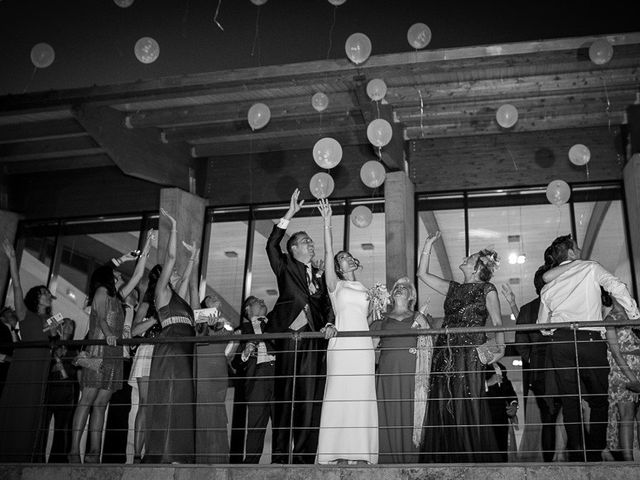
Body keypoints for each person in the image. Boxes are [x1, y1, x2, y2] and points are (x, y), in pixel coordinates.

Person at [537, 234, 640, 461]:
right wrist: (634, 315)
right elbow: (616, 286)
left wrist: (556, 329)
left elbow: (542, 327)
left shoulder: (548, 286)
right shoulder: (590, 268)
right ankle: (594, 452)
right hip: (590, 339)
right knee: (598, 399)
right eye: (578, 247)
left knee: (570, 400)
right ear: (571, 253)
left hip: (560, 342)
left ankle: (579, 452)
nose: (581, 250)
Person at [418, 231, 505, 462]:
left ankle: (471, 459)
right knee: (442, 398)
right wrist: (427, 245)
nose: (465, 258)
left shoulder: (488, 289)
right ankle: (446, 459)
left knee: (466, 399)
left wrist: (501, 349)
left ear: (477, 267)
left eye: (470, 257)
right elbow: (422, 274)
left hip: (469, 352)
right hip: (444, 350)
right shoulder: (453, 287)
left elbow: (497, 322)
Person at [263, 188, 333, 464]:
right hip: (289, 340)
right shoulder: (285, 267)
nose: (311, 244)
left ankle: (304, 459)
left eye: (312, 241)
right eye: (306, 241)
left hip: (313, 341)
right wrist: (289, 214)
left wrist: (328, 322)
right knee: (284, 400)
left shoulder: (319, 273)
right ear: (294, 249)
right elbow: (271, 245)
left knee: (308, 402)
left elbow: (326, 303)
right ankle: (280, 457)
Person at [69, 232, 152, 463]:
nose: (119, 274)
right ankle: (74, 451)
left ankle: (94, 453)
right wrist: (108, 336)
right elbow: (103, 319)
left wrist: (145, 250)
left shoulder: (120, 296)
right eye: (115, 273)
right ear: (106, 277)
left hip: (114, 352)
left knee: (100, 404)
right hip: (100, 350)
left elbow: (137, 276)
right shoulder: (101, 291)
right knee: (86, 401)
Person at [315, 199, 378, 465]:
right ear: (338, 268)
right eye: (342, 259)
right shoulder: (335, 286)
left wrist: (378, 305)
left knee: (362, 393)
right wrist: (328, 223)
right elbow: (328, 254)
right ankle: (334, 451)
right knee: (340, 391)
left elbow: (373, 320)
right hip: (341, 346)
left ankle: (360, 452)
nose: (346, 259)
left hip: (363, 346)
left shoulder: (368, 289)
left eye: (348, 257)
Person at [144, 209, 197, 464]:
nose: (175, 272)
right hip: (170, 349)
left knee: (182, 401)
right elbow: (172, 257)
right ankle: (164, 454)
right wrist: (174, 226)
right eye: (171, 272)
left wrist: (194, 257)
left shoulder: (181, 298)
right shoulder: (162, 293)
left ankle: (180, 453)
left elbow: (186, 275)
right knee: (168, 398)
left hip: (185, 351)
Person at [0, 239, 57, 462]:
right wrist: (13, 259)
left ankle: (26, 455)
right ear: (36, 297)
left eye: (47, 293)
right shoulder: (25, 314)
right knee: (19, 404)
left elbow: (54, 343)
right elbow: (16, 286)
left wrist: (53, 331)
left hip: (42, 364)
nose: (46, 295)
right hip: (26, 363)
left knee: (34, 407)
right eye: (43, 292)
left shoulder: (50, 319)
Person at [371, 276, 432, 463]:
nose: (399, 288)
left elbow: (431, 347)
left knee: (410, 414)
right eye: (396, 287)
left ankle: (411, 461)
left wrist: (425, 327)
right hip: (387, 374)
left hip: (412, 374)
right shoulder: (381, 319)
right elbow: (369, 349)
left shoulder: (421, 318)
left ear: (411, 295)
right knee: (387, 415)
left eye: (404, 287)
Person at [512, 263, 561, 462]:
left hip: (544, 369)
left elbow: (521, 343)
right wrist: (535, 359)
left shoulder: (527, 309)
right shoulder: (553, 304)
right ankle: (559, 461)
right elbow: (521, 343)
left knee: (550, 419)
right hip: (550, 368)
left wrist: (533, 359)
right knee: (557, 417)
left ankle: (554, 462)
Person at [128, 265, 163, 463]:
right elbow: (133, 331)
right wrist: (154, 319)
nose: (173, 274)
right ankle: (136, 455)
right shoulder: (148, 302)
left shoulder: (173, 301)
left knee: (160, 405)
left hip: (167, 354)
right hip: (149, 349)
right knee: (146, 402)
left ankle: (155, 451)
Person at [600, 289, 640, 461]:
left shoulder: (634, 316)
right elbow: (615, 353)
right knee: (627, 416)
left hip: (638, 366)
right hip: (622, 372)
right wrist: (633, 379)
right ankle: (628, 460)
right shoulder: (610, 320)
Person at [238, 295, 275, 463]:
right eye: (256, 301)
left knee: (282, 422)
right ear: (247, 309)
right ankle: (250, 465)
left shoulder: (275, 323)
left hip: (279, 375)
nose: (262, 301)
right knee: (256, 424)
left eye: (262, 300)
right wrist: (245, 351)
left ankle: (280, 462)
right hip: (257, 377)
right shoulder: (241, 330)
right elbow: (232, 359)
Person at [44, 318, 79, 463]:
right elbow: (43, 365)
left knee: (63, 428)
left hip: (68, 390)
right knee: (42, 425)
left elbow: (82, 367)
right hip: (50, 387)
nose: (69, 326)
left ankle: (58, 462)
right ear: (60, 326)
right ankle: (36, 458)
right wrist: (53, 367)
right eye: (66, 323)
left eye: (72, 324)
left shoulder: (74, 347)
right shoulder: (51, 341)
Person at [484, 362, 519, 462]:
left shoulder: (499, 367)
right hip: (482, 418)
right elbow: (465, 387)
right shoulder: (473, 365)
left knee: (501, 454)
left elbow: (508, 391)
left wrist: (514, 405)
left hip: (500, 419)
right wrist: (487, 383)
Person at [0, 306, 19, 397]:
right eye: (9, 313)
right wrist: (8, 358)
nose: (12, 314)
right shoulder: (2, 329)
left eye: (12, 312)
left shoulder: (16, 331)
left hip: (10, 373)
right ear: (2, 318)